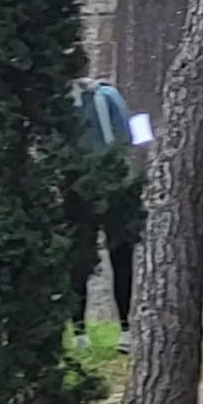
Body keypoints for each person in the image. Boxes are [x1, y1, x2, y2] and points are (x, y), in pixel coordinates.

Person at [71, 76, 145, 353]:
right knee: (121, 257)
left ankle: (79, 332)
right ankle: (126, 331)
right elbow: (130, 134)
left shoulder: (60, 100)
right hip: (117, 182)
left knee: (79, 258)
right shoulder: (108, 94)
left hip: (76, 186)